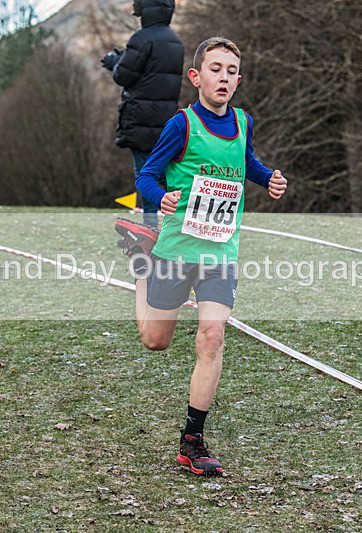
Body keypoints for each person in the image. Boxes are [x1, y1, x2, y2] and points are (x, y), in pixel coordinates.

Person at [114, 37, 288, 476]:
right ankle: (141, 260)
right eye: (215, 69)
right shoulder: (182, 125)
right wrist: (160, 197)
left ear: (238, 80)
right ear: (196, 76)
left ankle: (192, 441)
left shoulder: (244, 122)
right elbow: (148, 175)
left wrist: (267, 178)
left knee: (212, 335)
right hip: (177, 248)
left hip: (220, 252)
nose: (223, 77)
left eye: (231, 71)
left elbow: (246, 161)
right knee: (156, 340)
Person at [101, 0, 184, 228]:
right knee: (165, 176)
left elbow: (124, 76)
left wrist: (114, 62)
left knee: (145, 175)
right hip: (167, 122)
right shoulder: (176, 42)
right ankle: (176, 227)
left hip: (140, 120)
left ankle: (150, 230)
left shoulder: (142, 39)